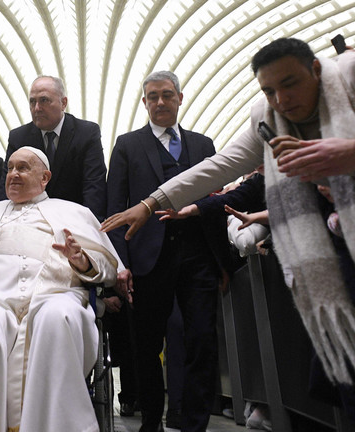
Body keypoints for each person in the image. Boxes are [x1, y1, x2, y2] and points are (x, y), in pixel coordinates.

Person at [101, 38, 355, 424]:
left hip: (205, 258)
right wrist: (151, 203)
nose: (281, 99)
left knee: (203, 341)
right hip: (333, 259)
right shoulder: (267, 118)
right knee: (343, 367)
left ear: (317, 70)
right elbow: (221, 168)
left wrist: (346, 155)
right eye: (269, 90)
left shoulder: (350, 83)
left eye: (290, 83)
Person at [0, 146, 122, 432]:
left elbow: (108, 270)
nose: (13, 174)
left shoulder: (74, 212)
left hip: (55, 294)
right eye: (10, 168)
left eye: (23, 168)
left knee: (58, 319)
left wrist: (81, 260)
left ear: (45, 178)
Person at [105, 70, 235, 432]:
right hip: (147, 259)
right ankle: (151, 421)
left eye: (166, 95)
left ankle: (194, 422)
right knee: (145, 345)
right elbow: (115, 208)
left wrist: (222, 262)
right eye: (152, 97)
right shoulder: (127, 145)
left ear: (180, 98)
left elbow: (218, 204)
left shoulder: (204, 145)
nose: (159, 102)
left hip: (199, 256)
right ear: (144, 102)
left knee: (202, 342)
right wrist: (120, 265)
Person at [6, 75, 107, 220]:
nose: (37, 108)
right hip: (28, 221)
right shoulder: (19, 137)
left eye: (44, 100)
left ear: (63, 103)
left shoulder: (86, 133)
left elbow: (94, 187)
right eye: (32, 102)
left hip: (74, 220)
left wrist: (89, 228)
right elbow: (9, 186)